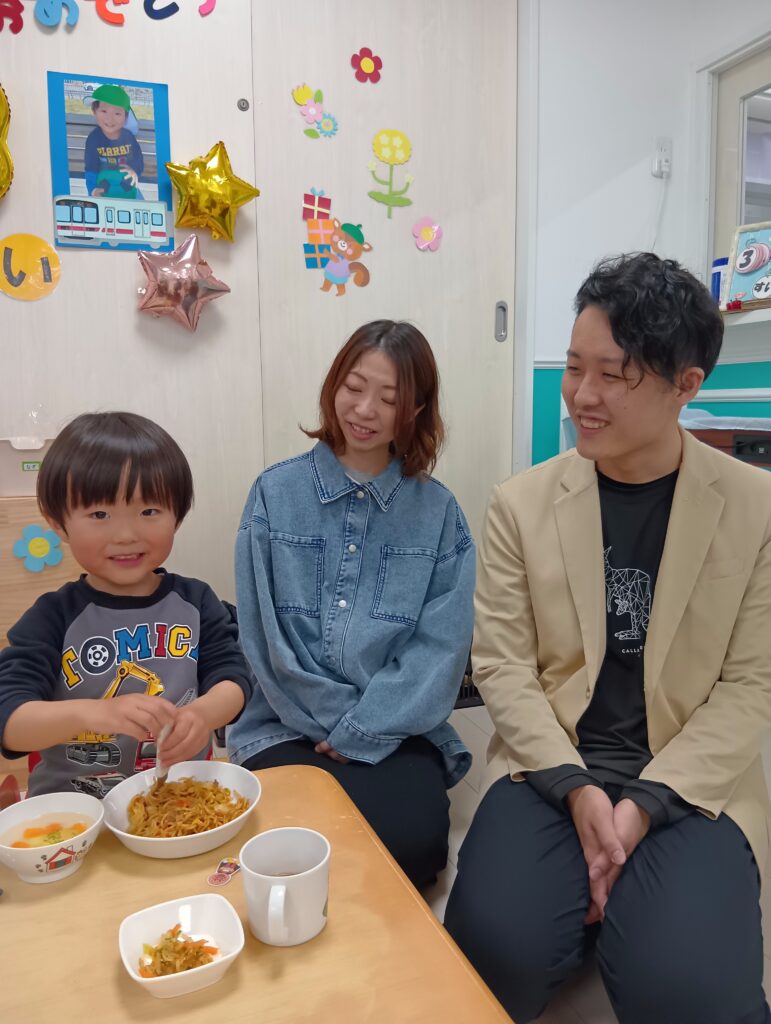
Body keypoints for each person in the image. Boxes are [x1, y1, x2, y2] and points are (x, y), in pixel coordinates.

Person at [445, 252, 771, 1023]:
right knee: (487, 956)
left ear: (685, 385)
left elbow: (750, 684)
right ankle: (594, 907)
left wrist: (642, 806)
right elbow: (502, 665)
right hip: (551, 761)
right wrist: (578, 788)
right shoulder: (520, 504)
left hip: (688, 775)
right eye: (572, 367)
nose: (581, 396)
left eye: (613, 375)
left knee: (689, 993)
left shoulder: (755, 507)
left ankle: (623, 907)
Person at [228, 320, 475, 888]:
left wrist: (364, 727)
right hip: (285, 723)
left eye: (390, 398)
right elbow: (263, 636)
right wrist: (332, 721)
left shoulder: (438, 512)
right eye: (354, 387)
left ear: (416, 409)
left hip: (395, 727)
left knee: (413, 849)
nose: (365, 410)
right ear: (333, 384)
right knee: (285, 848)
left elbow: (440, 649)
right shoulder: (274, 494)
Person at [0, 412, 253, 798]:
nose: (125, 534)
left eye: (149, 511)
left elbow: (233, 679)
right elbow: (9, 720)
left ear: (177, 515)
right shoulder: (52, 616)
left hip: (180, 799)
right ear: (58, 523)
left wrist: (201, 716)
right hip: (77, 811)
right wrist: (93, 713)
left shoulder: (196, 602)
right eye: (99, 514)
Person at [84, 84, 144, 199]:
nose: (110, 118)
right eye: (104, 111)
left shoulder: (128, 137)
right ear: (94, 111)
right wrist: (92, 190)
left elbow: (138, 160)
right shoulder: (93, 139)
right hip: (102, 188)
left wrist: (134, 171)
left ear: (125, 117)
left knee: (142, 205)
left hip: (127, 187)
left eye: (117, 113)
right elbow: (90, 168)